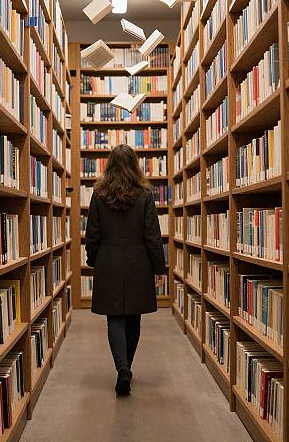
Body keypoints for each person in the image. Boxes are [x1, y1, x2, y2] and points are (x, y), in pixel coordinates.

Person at [85, 144, 167, 396]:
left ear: (109, 165)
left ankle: (122, 369)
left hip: (109, 261)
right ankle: (126, 368)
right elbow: (153, 236)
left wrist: (94, 259)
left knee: (115, 318)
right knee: (134, 318)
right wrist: (158, 267)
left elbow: (92, 234)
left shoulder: (99, 194)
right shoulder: (144, 194)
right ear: (134, 165)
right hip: (138, 262)